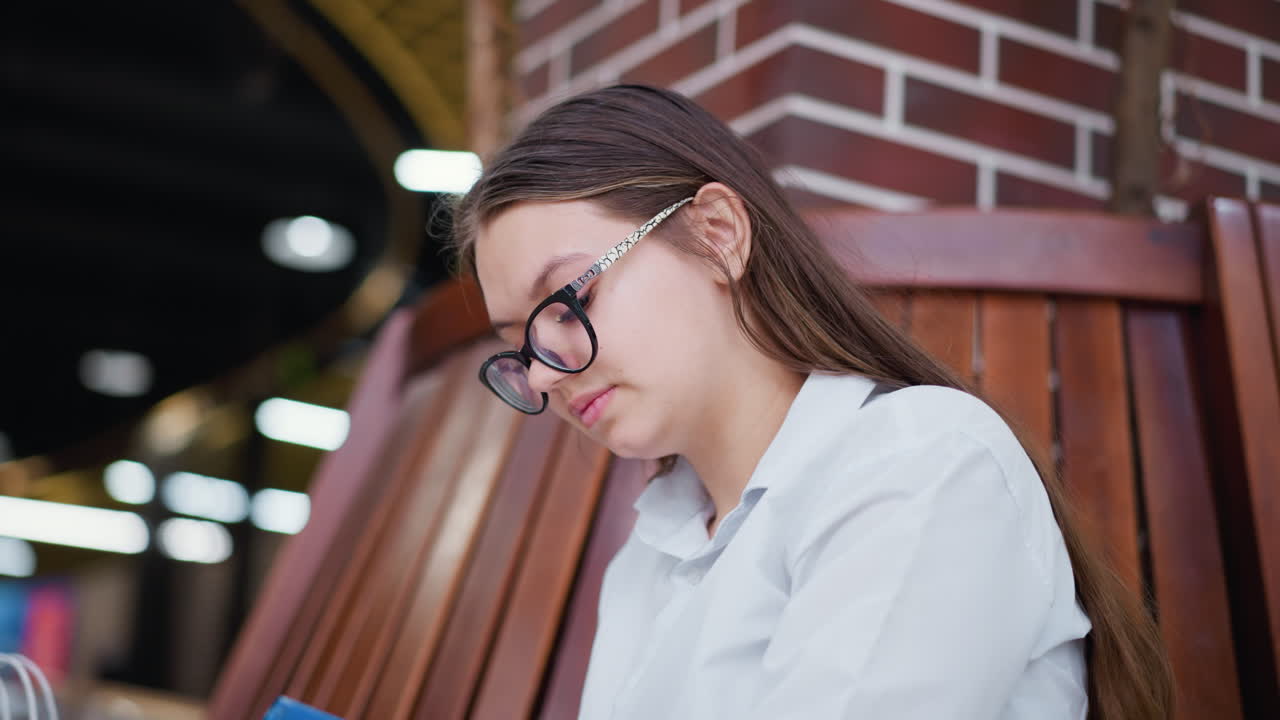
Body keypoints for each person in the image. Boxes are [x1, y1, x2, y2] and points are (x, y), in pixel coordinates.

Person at [448, 84, 1172, 719]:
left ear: (718, 235)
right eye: (519, 343)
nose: (541, 376)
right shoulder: (652, 555)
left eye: (567, 301)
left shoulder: (922, 464)